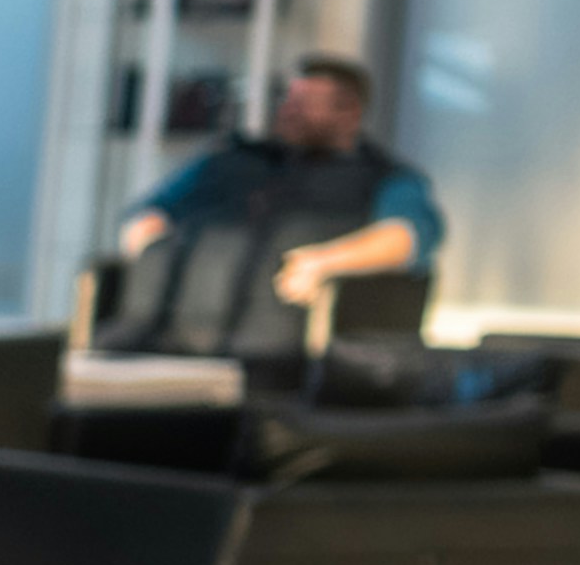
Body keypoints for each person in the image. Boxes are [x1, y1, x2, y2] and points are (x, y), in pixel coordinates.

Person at [92, 55, 445, 361]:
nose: (289, 110)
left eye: (306, 102)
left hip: (270, 352)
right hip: (158, 337)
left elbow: (407, 237)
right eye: (289, 98)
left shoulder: (384, 178)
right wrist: (155, 249)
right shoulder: (230, 160)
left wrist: (324, 262)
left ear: (349, 111)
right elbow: (149, 215)